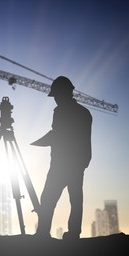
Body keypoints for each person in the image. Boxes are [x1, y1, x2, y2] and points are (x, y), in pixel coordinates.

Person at [31, 76, 92, 240]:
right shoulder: (84, 113)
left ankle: (43, 233)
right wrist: (84, 162)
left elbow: (59, 135)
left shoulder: (60, 112)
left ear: (64, 93)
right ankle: (73, 233)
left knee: (49, 198)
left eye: (57, 95)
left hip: (62, 163)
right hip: (76, 163)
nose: (55, 99)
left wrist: (42, 142)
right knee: (75, 199)